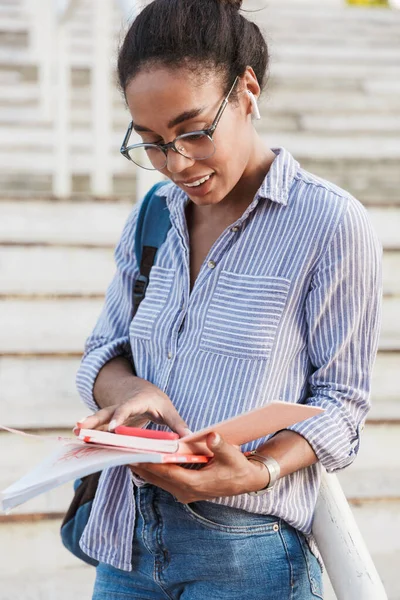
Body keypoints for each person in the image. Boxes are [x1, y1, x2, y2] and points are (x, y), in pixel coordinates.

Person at [74, 0, 382, 598]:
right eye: (153, 142)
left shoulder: (329, 223)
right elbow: (103, 352)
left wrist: (256, 471)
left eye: (193, 131)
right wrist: (134, 394)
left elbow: (343, 404)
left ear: (246, 90)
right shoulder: (152, 217)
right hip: (125, 545)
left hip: (249, 553)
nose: (177, 163)